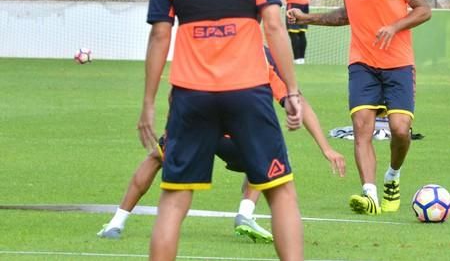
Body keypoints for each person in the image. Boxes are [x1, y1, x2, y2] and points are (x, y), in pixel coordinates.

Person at [137, 0, 303, 261]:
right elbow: (275, 25)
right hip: (248, 91)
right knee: (280, 190)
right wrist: (291, 91)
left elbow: (160, 36)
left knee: (174, 200)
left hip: (190, 94)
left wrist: (148, 101)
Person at [98, 53, 346, 243]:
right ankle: (245, 214)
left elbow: (177, 92)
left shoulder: (207, 48)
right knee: (268, 151)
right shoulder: (263, 55)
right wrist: (326, 148)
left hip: (195, 126)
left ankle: (115, 224)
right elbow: (297, 102)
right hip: (236, 135)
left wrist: (171, 128)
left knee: (155, 159)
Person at [287, 0, 431, 216]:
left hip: (398, 64)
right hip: (362, 63)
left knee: (401, 130)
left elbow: (423, 10)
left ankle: (393, 176)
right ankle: (370, 195)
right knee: (361, 126)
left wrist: (394, 26)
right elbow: (346, 15)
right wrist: (307, 17)